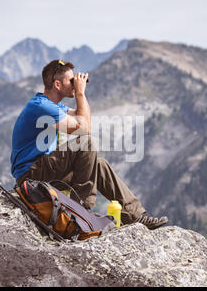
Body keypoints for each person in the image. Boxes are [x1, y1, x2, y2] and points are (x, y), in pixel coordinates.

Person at [10, 59, 168, 229]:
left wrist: (80, 92)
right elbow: (83, 130)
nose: (74, 83)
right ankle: (81, 210)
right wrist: (80, 94)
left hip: (42, 169)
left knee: (100, 165)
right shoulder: (41, 106)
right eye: (70, 81)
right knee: (86, 143)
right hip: (31, 174)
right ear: (57, 84)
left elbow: (81, 116)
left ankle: (136, 215)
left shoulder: (52, 105)